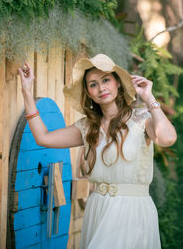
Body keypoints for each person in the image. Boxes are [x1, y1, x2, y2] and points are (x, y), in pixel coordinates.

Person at [18, 53, 177, 249]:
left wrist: (149, 98)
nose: (101, 88)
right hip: (98, 208)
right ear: (88, 92)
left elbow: (168, 138)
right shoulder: (87, 127)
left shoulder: (141, 119)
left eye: (106, 80)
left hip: (132, 210)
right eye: (93, 84)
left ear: (117, 83)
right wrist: (26, 91)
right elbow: (43, 138)